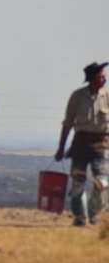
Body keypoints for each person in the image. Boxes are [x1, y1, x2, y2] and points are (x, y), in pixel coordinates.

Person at [55, 62, 109, 226]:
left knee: (102, 182)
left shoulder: (106, 96)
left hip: (101, 144)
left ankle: (94, 212)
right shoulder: (77, 97)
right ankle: (80, 217)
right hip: (80, 145)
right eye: (102, 76)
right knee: (78, 181)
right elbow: (67, 124)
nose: (105, 79)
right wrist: (61, 148)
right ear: (93, 79)